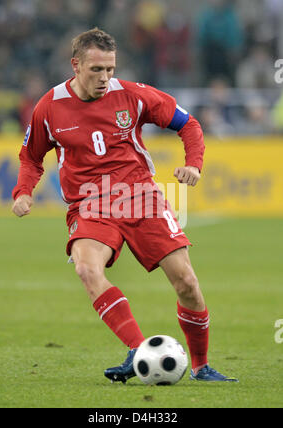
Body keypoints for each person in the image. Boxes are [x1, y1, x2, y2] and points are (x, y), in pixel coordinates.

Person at [12, 28, 238, 383]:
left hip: (140, 196)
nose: (104, 78)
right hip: (89, 203)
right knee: (87, 270)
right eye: (96, 70)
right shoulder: (49, 107)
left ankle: (201, 366)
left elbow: (188, 124)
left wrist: (193, 163)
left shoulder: (133, 95)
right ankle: (138, 351)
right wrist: (23, 191)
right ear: (75, 65)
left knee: (187, 283)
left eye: (110, 69)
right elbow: (31, 158)